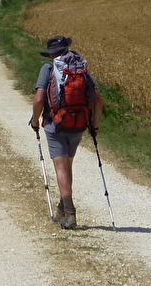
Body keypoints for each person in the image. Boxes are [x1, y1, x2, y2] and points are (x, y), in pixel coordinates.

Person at [30, 35, 103, 229]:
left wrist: (35, 121)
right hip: (78, 124)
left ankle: (70, 213)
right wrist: (94, 126)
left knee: (61, 168)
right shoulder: (81, 68)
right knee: (67, 166)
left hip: (55, 124)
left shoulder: (48, 68)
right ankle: (62, 209)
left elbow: (39, 100)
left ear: (51, 53)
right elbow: (98, 100)